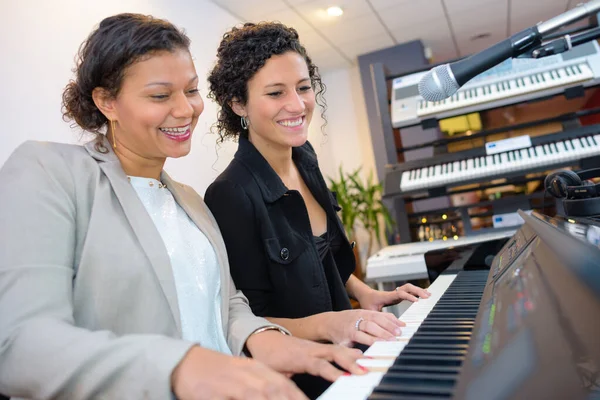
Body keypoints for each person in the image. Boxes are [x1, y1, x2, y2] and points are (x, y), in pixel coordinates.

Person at [0, 14, 367, 400]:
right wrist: (180, 365)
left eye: (191, 91)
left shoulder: (190, 200)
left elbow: (224, 304)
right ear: (106, 101)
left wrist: (266, 337)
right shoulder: (50, 173)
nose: (186, 110)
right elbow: (19, 342)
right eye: (160, 96)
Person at [204, 22, 430, 398]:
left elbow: (320, 254)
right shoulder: (230, 194)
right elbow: (250, 321)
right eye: (276, 93)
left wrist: (364, 293)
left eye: (304, 87)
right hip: (305, 381)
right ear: (238, 104)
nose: (297, 105)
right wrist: (333, 324)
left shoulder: (304, 157)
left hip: (352, 358)